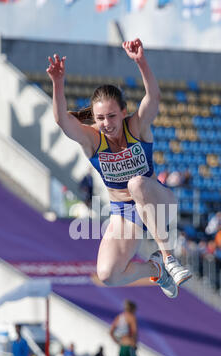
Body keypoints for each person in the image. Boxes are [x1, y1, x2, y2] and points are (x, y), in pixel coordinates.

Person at [46, 38, 191, 299]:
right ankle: (156, 268)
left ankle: (168, 257)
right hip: (124, 214)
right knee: (108, 275)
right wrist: (58, 83)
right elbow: (62, 120)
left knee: (136, 184)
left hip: (159, 202)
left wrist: (141, 62)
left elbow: (154, 97)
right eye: (100, 118)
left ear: (123, 112)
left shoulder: (136, 127)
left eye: (112, 116)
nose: (107, 123)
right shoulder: (93, 139)